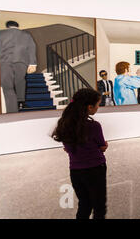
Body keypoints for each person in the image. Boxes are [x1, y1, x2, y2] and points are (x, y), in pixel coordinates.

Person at [51, 88, 108, 219]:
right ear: (89, 107)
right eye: (98, 104)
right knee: (99, 206)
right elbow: (102, 146)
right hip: (95, 169)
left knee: (84, 204)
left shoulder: (65, 124)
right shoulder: (94, 126)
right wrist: (104, 146)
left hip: (76, 172)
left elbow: (69, 148)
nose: (98, 107)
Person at [0, 20, 37, 113]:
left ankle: (12, 110)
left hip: (4, 62)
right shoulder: (26, 35)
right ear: (17, 26)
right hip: (21, 62)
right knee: (20, 80)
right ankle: (21, 101)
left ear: (7, 26)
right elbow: (31, 47)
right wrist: (33, 63)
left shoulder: (0, 33)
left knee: (8, 87)